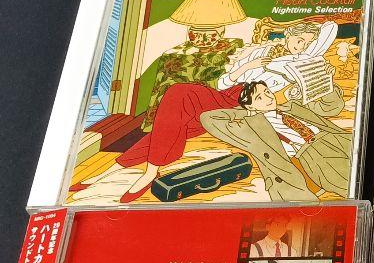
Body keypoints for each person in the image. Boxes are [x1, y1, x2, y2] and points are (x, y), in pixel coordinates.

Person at [201, 80, 353, 201]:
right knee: (350, 184)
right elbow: (209, 119)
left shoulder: (292, 106)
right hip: (312, 156)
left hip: (335, 138)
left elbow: (331, 106)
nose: (268, 98)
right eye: (259, 97)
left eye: (267, 92)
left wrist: (326, 82)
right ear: (250, 106)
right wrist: (246, 112)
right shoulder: (252, 129)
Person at [110, 80, 247, 203]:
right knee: (170, 127)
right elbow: (224, 82)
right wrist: (246, 66)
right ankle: (123, 165)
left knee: (179, 94)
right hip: (219, 96)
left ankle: (149, 171)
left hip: (232, 102)